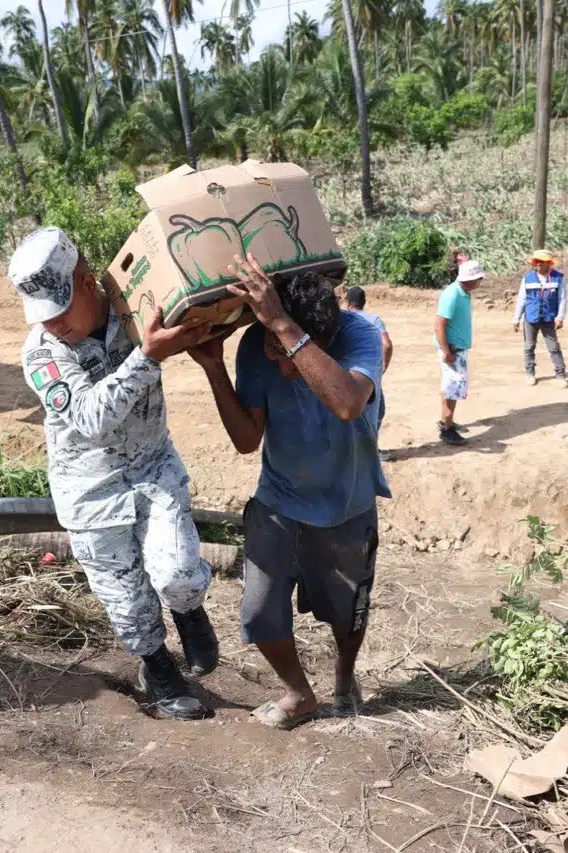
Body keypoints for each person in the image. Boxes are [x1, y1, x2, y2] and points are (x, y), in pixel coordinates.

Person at [10, 227, 218, 721]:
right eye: (43, 316)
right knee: (129, 605)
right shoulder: (41, 353)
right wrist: (148, 356)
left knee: (180, 575)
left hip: (152, 469)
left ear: (85, 281)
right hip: (91, 493)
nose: (53, 325)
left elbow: (200, 307)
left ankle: (188, 609)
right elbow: (89, 418)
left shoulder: (136, 310)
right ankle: (157, 667)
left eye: (59, 310)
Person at [190, 255, 389, 730]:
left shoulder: (360, 334)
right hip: (277, 501)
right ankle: (300, 694)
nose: (278, 365)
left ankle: (344, 675)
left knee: (348, 614)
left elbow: (346, 402)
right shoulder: (257, 344)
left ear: (326, 338)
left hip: (347, 503)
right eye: (271, 348)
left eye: (288, 353)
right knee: (258, 610)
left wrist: (281, 325)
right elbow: (246, 441)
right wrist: (215, 369)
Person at [435, 260, 485, 446]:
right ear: (472, 279)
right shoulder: (453, 295)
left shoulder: (463, 293)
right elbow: (439, 325)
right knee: (452, 389)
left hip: (457, 349)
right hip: (452, 351)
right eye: (479, 278)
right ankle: (447, 430)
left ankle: (445, 421)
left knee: (450, 387)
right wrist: (447, 352)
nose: (480, 282)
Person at [344, 285, 393, 459]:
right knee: (376, 412)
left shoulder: (343, 318)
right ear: (364, 302)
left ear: (348, 303)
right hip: (368, 376)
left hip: (345, 374)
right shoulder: (374, 320)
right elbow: (386, 344)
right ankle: (371, 452)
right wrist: (382, 367)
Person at [513, 249, 568, 388]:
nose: (538, 264)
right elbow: (522, 299)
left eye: (541, 262)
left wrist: (560, 317)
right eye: (536, 261)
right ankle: (530, 373)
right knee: (529, 346)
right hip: (531, 318)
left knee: (554, 347)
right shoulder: (527, 278)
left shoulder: (558, 278)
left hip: (549, 318)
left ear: (548, 263)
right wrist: (516, 319)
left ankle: (560, 375)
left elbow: (562, 298)